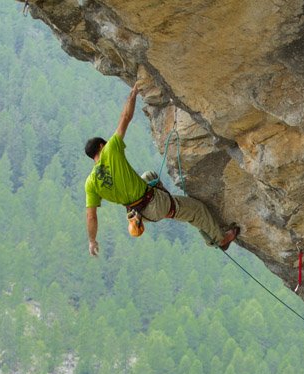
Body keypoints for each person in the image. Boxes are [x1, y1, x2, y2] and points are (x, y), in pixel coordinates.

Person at [83, 83, 238, 257]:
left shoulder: (90, 183)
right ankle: (218, 240)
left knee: (149, 175)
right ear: (101, 146)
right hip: (155, 204)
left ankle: (166, 200)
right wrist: (132, 94)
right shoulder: (110, 150)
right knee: (197, 209)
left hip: (139, 213)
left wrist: (92, 240)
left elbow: (91, 217)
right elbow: (125, 117)